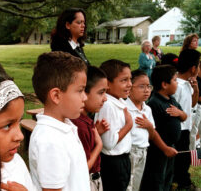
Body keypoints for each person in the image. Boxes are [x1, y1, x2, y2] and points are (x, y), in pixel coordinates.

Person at [30, 51, 90, 191]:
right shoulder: (50, 140)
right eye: (80, 91)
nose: (85, 97)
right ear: (56, 95)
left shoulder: (64, 126)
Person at [126, 70, 177, 191]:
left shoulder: (147, 109)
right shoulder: (125, 108)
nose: (147, 90)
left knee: (137, 183)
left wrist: (149, 127)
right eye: (141, 86)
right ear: (129, 88)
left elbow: (151, 135)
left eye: (149, 86)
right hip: (130, 151)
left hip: (143, 150)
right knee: (128, 183)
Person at [140, 65, 186, 191]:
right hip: (159, 150)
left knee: (167, 177)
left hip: (171, 147)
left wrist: (180, 113)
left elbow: (184, 117)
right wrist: (165, 148)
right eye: (175, 80)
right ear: (165, 84)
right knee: (156, 179)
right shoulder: (154, 103)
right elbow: (152, 131)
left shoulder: (172, 100)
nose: (177, 83)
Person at [95, 59, 133, 191]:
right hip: (113, 163)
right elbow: (109, 143)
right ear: (108, 84)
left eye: (130, 79)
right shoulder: (108, 106)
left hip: (122, 159)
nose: (129, 84)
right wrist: (129, 125)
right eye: (124, 80)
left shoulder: (119, 101)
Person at [71, 66, 110, 191]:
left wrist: (95, 133)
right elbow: (84, 168)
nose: (105, 98)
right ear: (83, 92)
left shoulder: (85, 121)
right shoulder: (79, 125)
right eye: (101, 92)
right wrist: (99, 145)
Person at [172, 49, 201, 190]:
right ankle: (183, 183)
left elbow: (192, 104)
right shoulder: (176, 85)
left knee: (185, 157)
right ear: (193, 68)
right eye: (199, 65)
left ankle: (181, 180)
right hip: (179, 129)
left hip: (187, 126)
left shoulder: (188, 84)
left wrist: (196, 90)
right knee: (181, 158)